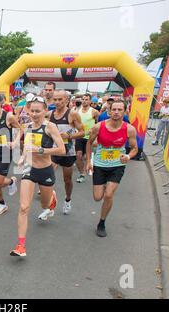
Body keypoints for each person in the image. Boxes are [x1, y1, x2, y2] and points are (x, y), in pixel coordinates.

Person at [10, 96, 65, 257]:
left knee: (44, 205)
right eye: (32, 110)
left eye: (37, 111)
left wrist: (41, 150)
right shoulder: (26, 127)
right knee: (24, 207)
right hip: (29, 169)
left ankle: (51, 200)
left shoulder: (50, 127)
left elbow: (61, 149)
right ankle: (21, 246)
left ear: (45, 111)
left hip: (46, 170)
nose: (34, 114)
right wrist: (21, 159)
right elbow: (27, 148)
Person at [86, 101, 138, 238]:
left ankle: (102, 222)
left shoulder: (129, 129)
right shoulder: (99, 127)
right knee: (97, 197)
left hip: (117, 165)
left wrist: (128, 156)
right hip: (100, 164)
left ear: (125, 112)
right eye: (113, 109)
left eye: (119, 109)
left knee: (108, 195)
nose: (116, 112)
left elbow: (135, 149)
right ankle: (105, 187)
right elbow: (89, 143)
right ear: (109, 111)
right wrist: (88, 162)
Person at [48, 90, 85, 215]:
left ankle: (67, 200)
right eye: (55, 99)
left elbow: (82, 132)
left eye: (60, 99)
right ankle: (50, 201)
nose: (57, 102)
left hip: (68, 151)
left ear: (66, 100)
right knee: (47, 176)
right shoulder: (50, 114)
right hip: (54, 149)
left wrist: (69, 136)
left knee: (67, 179)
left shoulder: (72, 114)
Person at [75, 94, 100, 183]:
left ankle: (90, 166)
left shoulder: (94, 112)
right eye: (83, 99)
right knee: (78, 156)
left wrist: (95, 135)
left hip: (90, 138)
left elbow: (99, 124)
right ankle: (82, 174)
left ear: (90, 101)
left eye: (86, 99)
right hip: (80, 136)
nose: (84, 101)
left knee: (86, 156)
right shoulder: (77, 111)